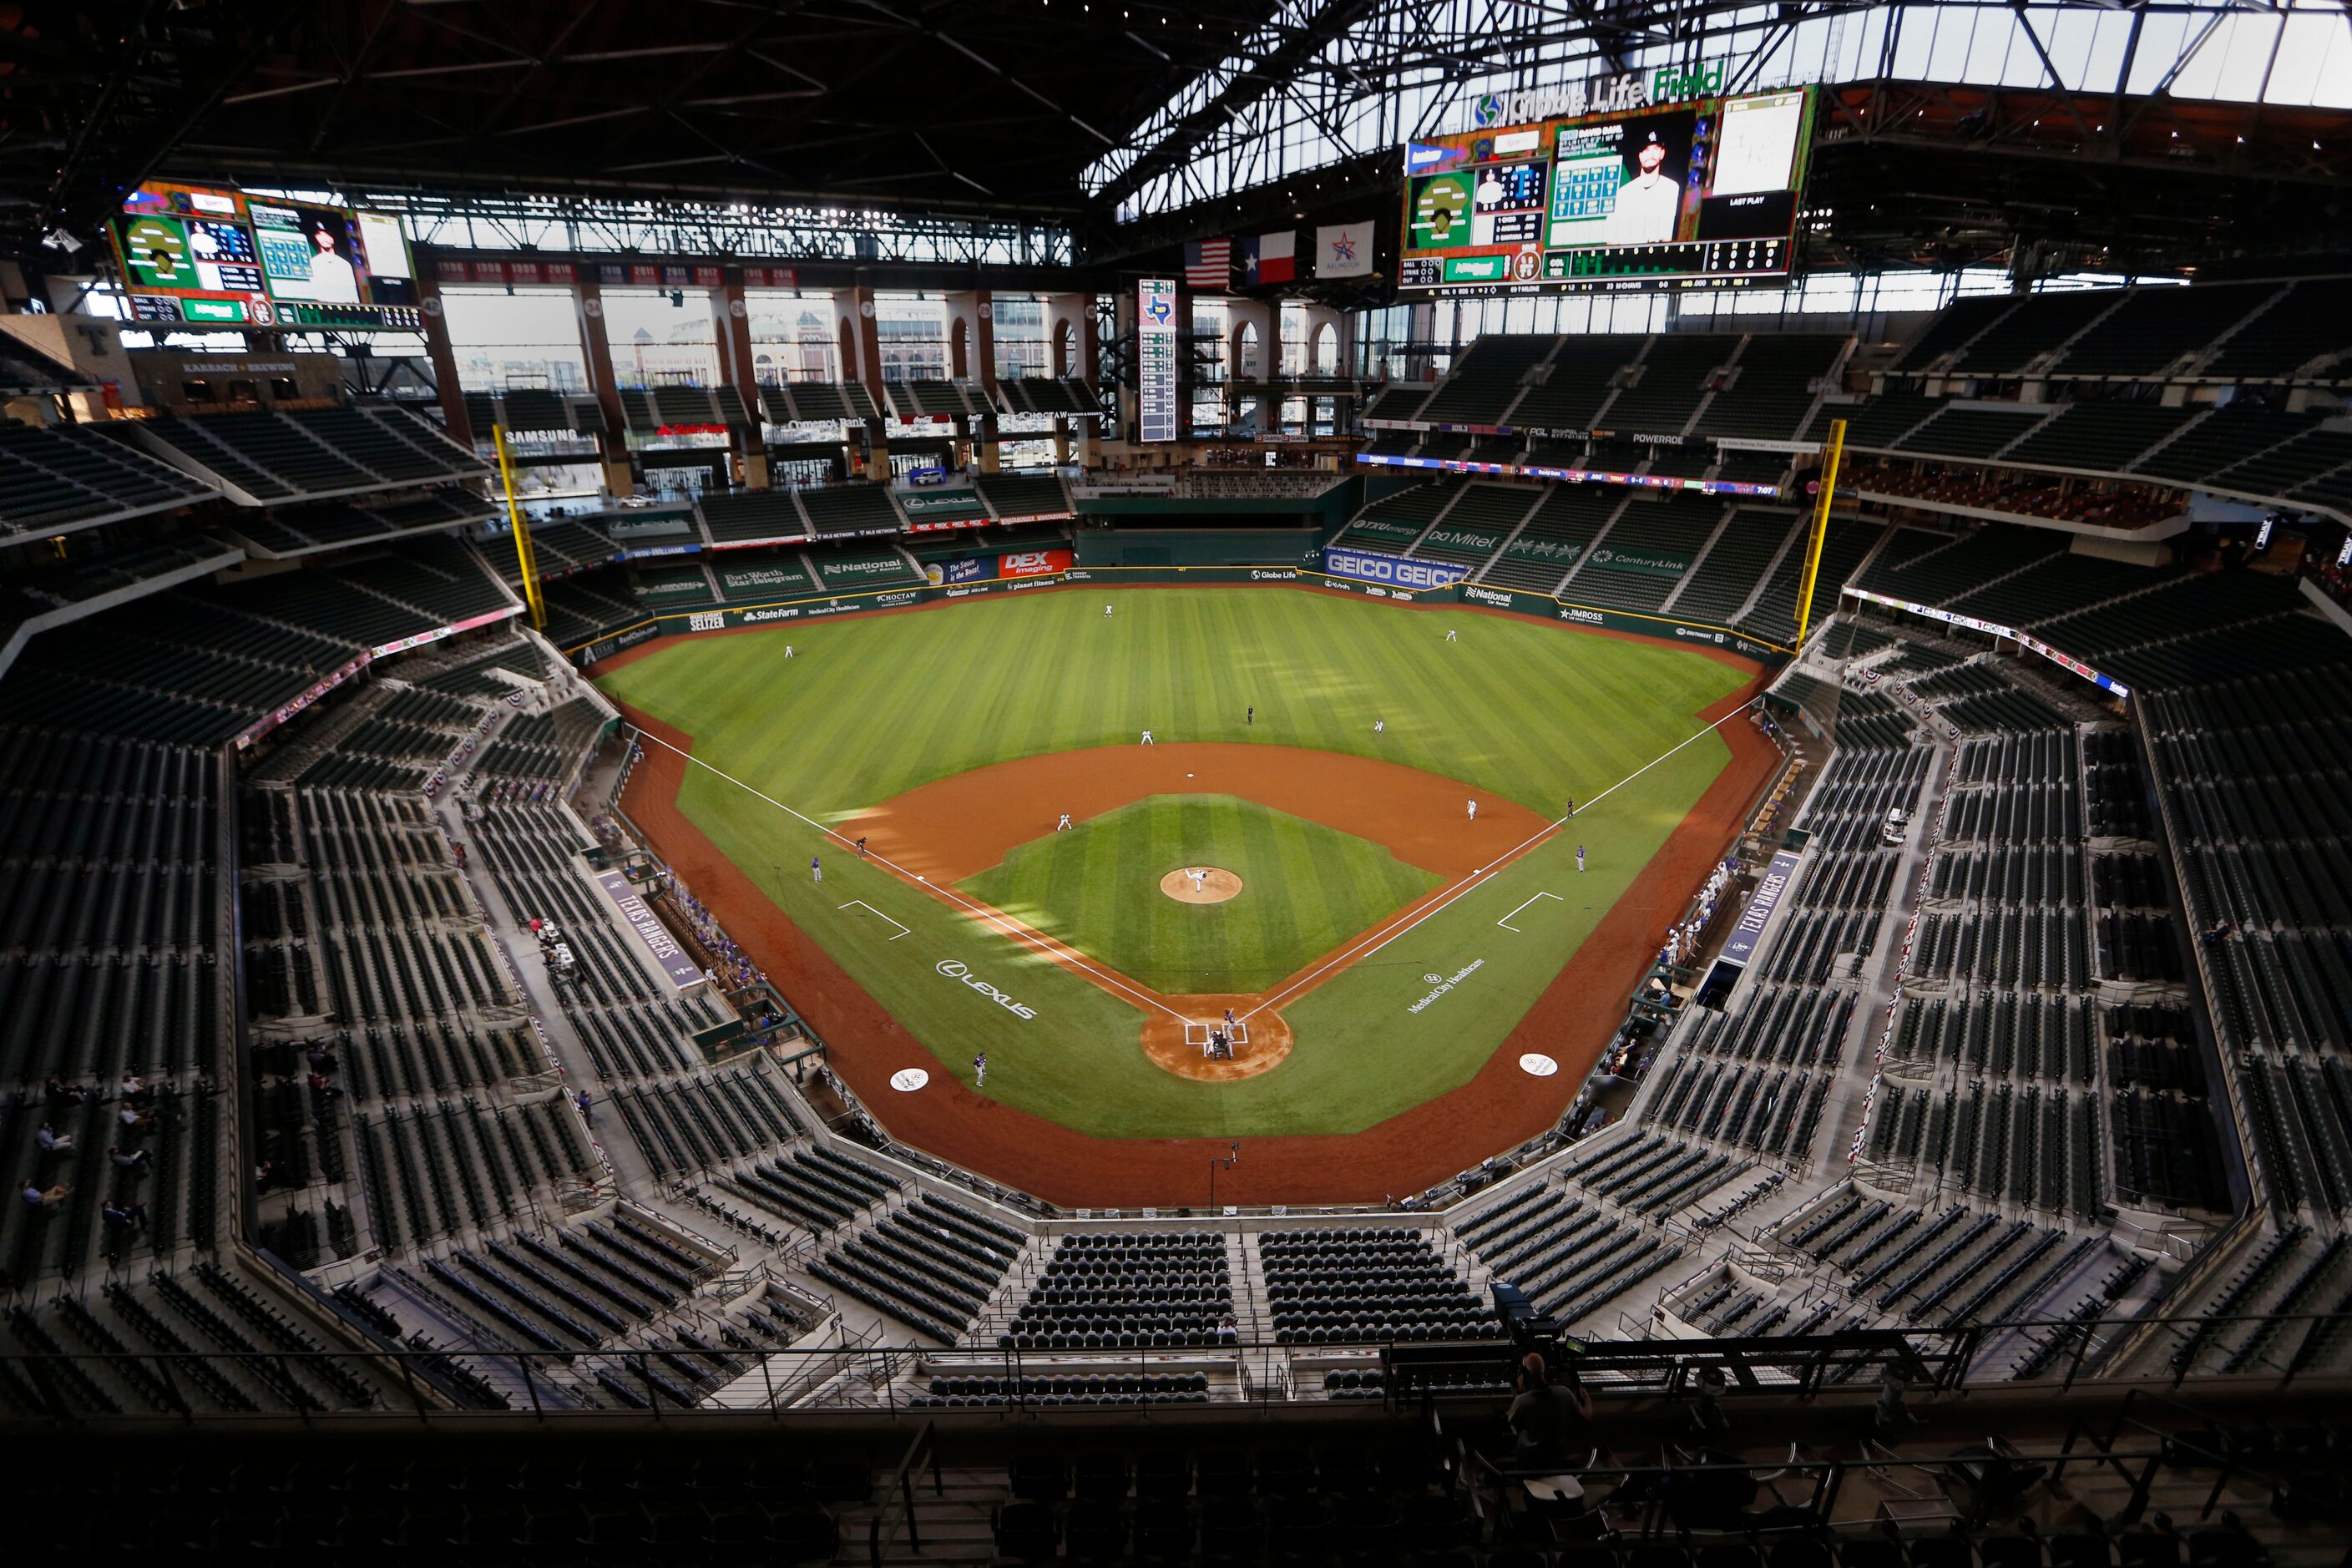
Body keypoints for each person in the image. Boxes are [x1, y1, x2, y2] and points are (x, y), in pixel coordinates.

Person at [1506, 1351, 1593, 1469]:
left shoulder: (1521, 1401)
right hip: (1556, 1453)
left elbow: (1511, 1420)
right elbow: (1586, 1416)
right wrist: (1587, 1399)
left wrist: (1520, 1391)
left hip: (1529, 1457)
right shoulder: (1564, 1393)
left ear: (1525, 1375)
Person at [1602, 130, 1682, 245]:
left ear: (1662, 153)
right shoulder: (1624, 193)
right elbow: (1611, 238)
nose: (1650, 155)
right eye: (1646, 150)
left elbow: (1668, 236)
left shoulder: (1671, 188)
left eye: (1655, 149)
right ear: (1640, 156)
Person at [305, 224, 361, 304]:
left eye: (327, 235)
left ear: (333, 238)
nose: (324, 238)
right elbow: (314, 294)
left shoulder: (345, 265)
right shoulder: (313, 263)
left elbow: (354, 297)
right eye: (320, 235)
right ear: (316, 238)